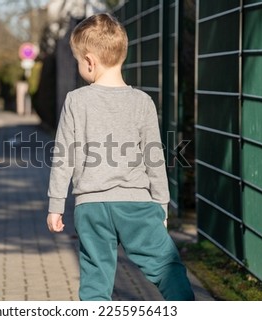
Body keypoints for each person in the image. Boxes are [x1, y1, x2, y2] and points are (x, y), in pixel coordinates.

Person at [46, 13, 195, 301]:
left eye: (78, 61)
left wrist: (55, 206)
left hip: (91, 207)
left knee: (96, 277)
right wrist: (161, 204)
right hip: (137, 205)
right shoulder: (142, 102)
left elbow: (64, 156)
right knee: (167, 267)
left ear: (89, 61)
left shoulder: (76, 101)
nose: (79, 67)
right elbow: (154, 158)